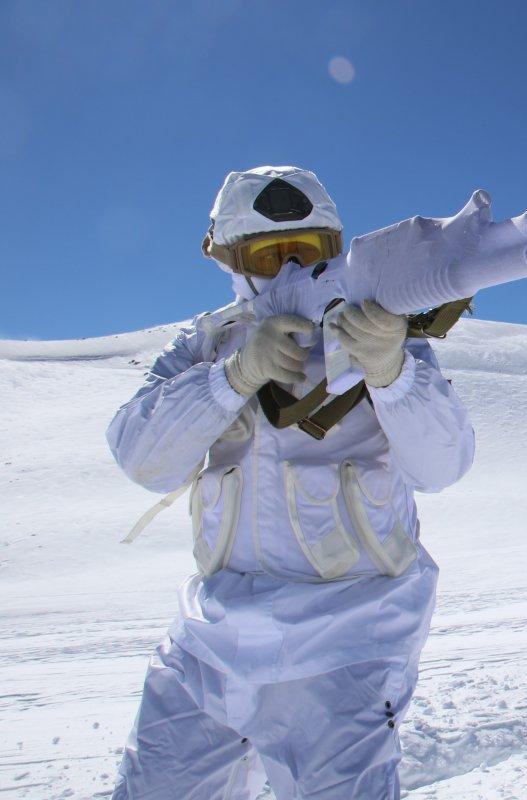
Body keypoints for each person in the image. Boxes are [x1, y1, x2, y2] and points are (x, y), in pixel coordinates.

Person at [107, 166, 475, 799]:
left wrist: (392, 370)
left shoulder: (380, 329)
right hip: (210, 640)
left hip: (349, 643)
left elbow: (443, 465)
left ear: (332, 252)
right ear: (231, 260)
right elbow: (143, 460)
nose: (286, 274)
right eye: (267, 254)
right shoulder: (203, 346)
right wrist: (232, 376)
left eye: (303, 253)